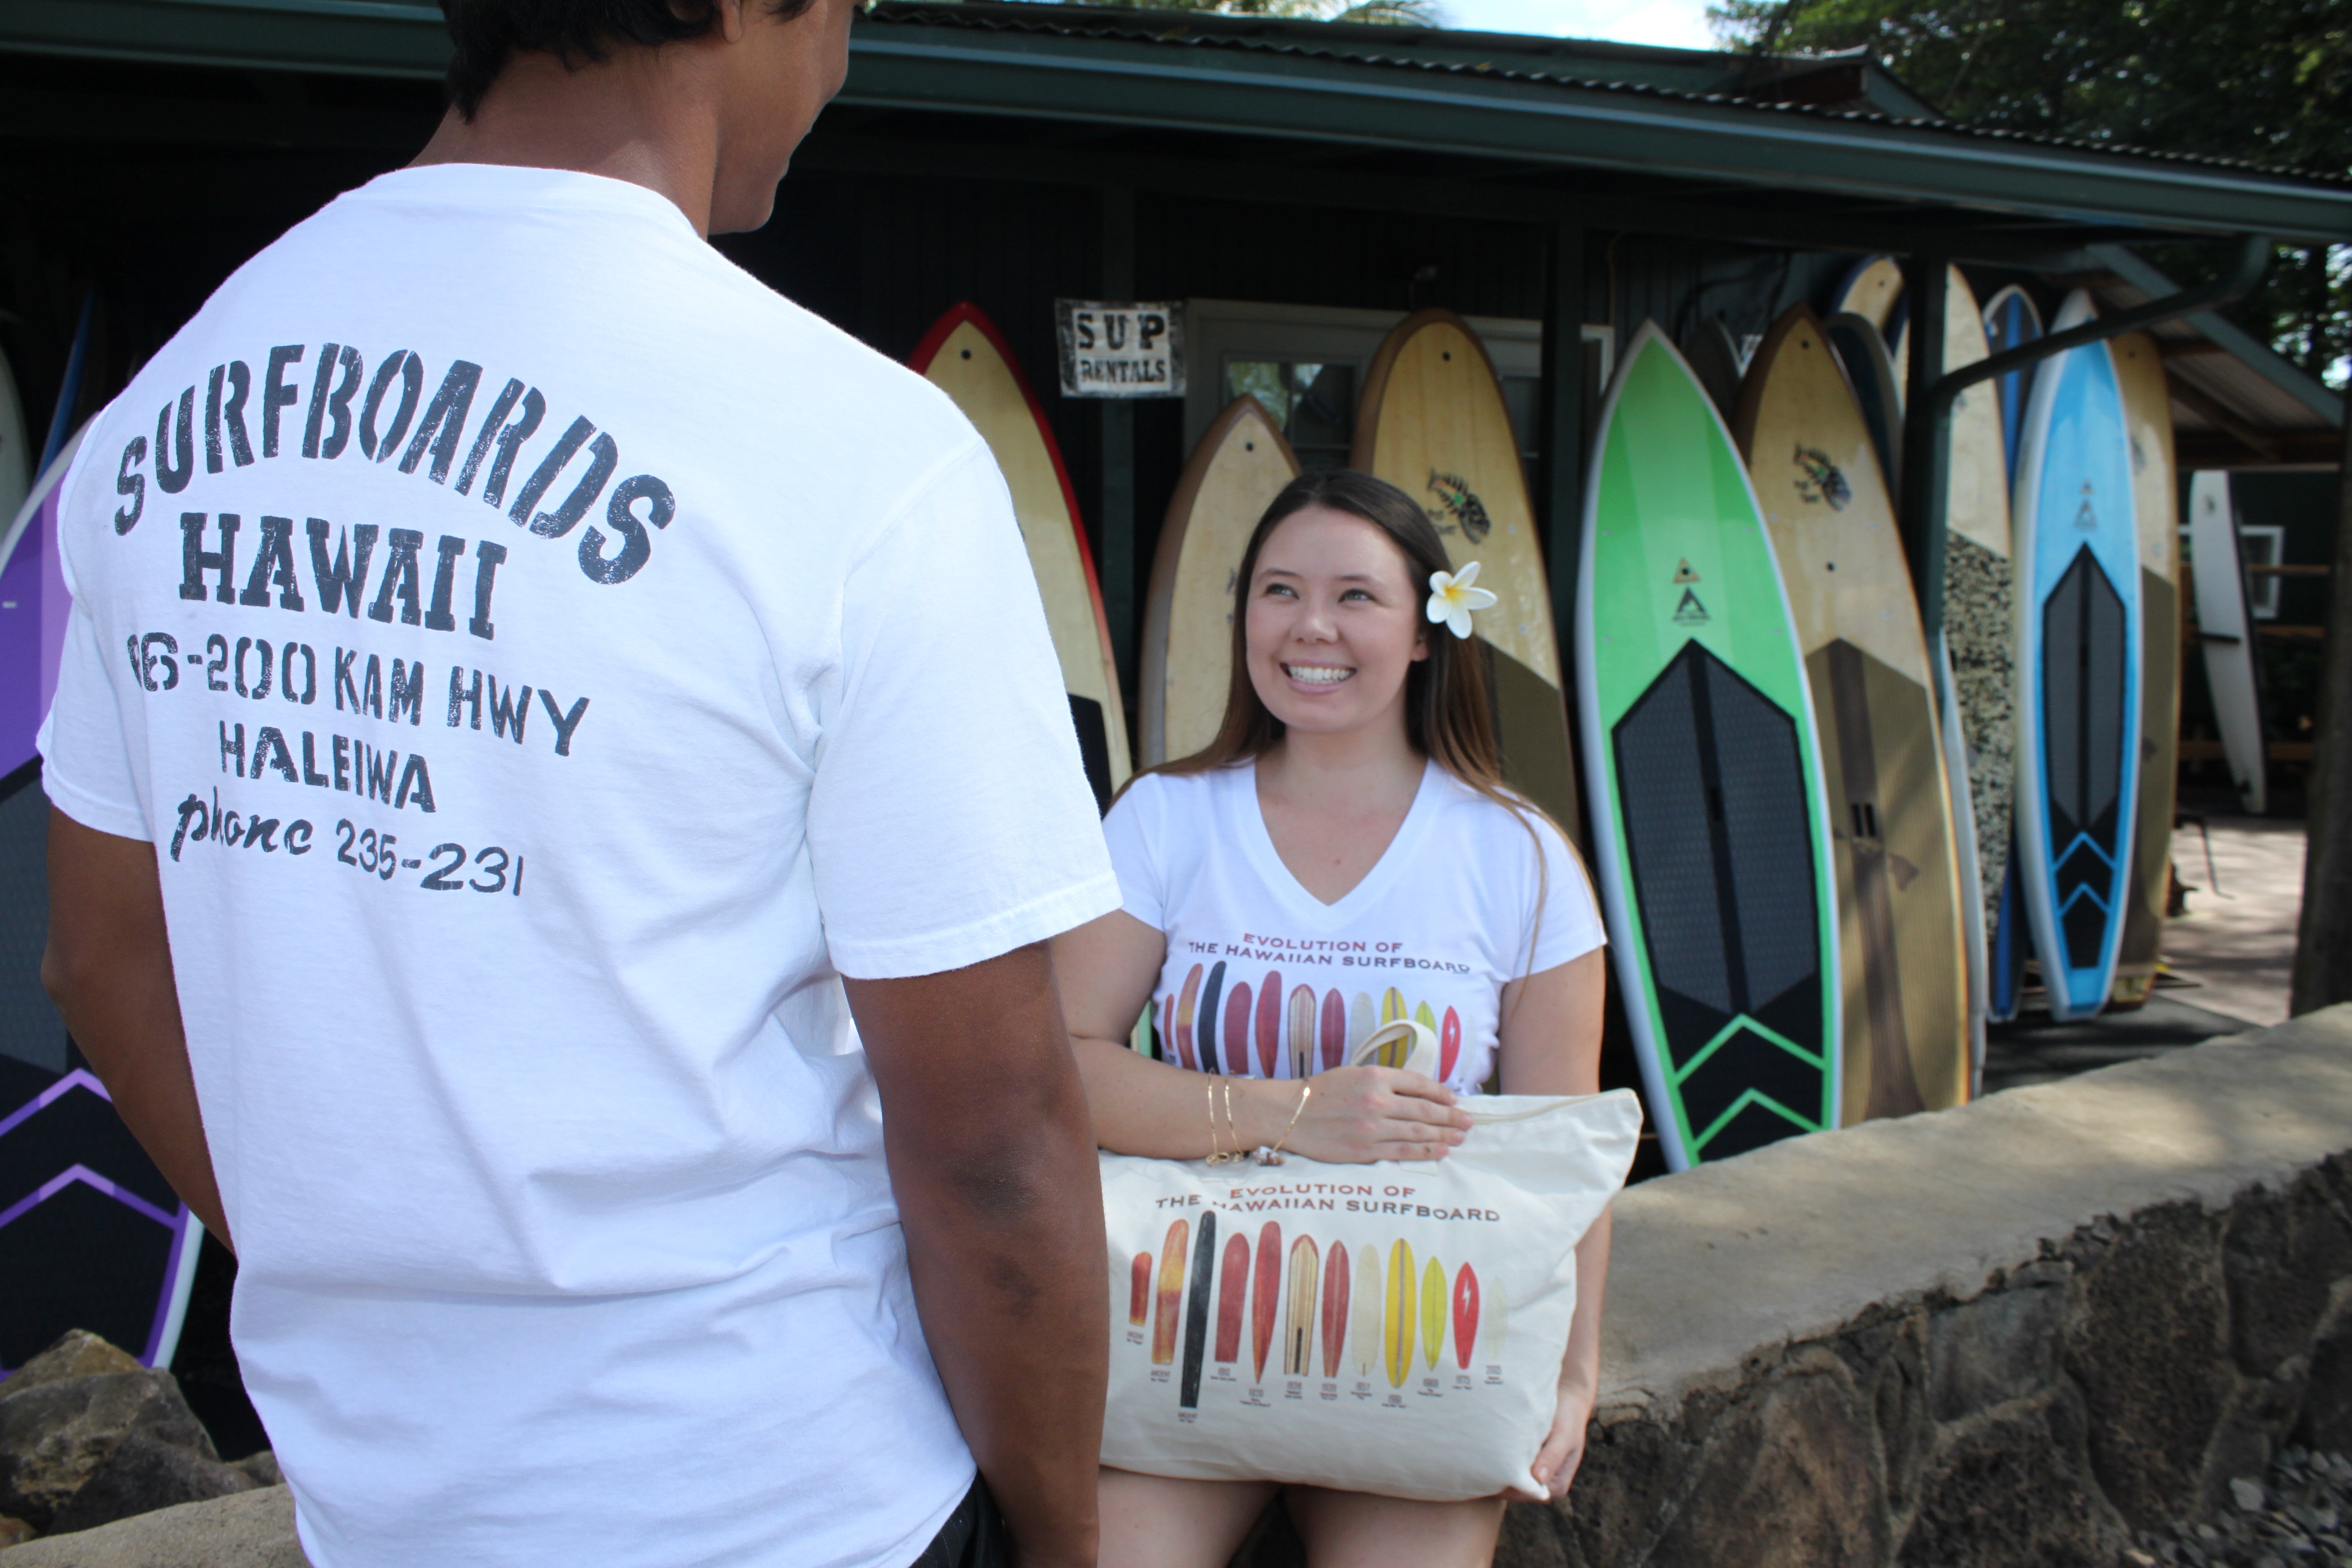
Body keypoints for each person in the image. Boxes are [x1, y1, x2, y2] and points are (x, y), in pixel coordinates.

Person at [37, 3, 1117, 1566]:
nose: (842, 72)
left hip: (383, 1503)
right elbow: (992, 1140)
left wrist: (371, 1275)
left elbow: (101, 960)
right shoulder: (863, 456)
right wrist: (1064, 1537)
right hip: (787, 1499)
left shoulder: (158, 422)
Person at [1054, 469, 1612, 1568]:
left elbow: (1566, 1151)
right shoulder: (1166, 821)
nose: (1312, 626)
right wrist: (1291, 1113)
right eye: (1279, 591)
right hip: (1187, 1332)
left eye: (1357, 595)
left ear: (1424, 632)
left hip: (1422, 1358)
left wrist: (1575, 1374)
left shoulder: (1522, 856)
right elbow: (1060, 1069)